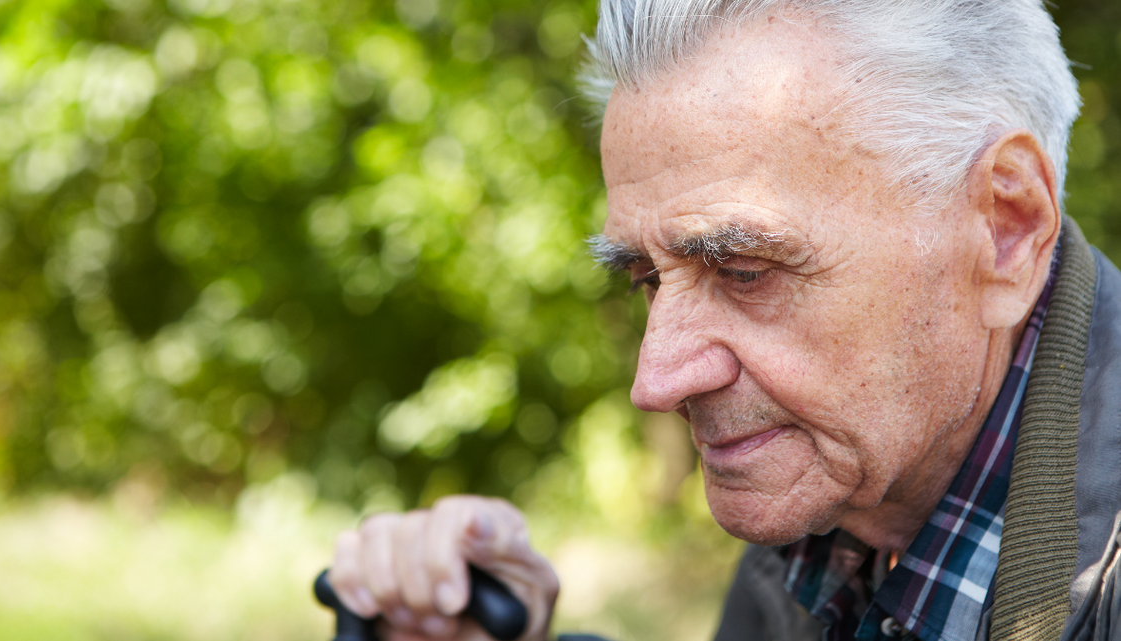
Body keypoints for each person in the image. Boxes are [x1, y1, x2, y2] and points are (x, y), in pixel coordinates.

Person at [328, 1, 1121, 640]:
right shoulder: (836, 499)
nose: (656, 378)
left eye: (745, 271)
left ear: (1006, 229)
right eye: (645, 276)